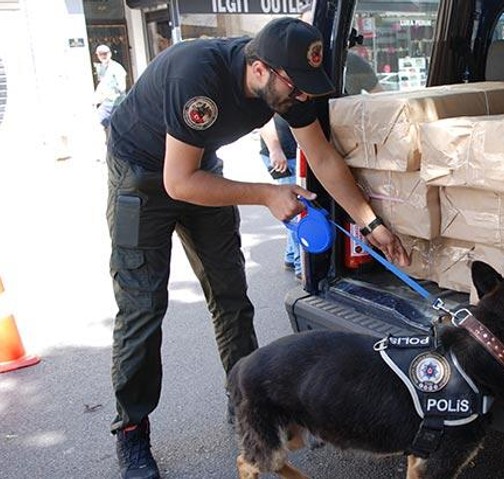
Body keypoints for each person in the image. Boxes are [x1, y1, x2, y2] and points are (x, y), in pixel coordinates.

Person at [105, 17, 410, 479]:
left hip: (200, 170)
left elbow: (323, 157)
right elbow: (177, 181)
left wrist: (371, 224)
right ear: (261, 69)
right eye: (297, 87)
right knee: (143, 310)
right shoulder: (197, 76)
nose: (303, 98)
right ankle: (132, 431)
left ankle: (247, 407)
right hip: (143, 178)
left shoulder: (289, 85)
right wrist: (269, 193)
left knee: (231, 299)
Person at [259, 114, 303, 277]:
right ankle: (301, 266)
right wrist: (275, 149)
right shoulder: (275, 90)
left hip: (287, 152)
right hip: (284, 155)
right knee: (295, 209)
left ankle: (291, 257)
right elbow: (264, 119)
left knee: (295, 210)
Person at [93, 44, 127, 131]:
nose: (103, 56)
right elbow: (102, 84)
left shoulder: (117, 68)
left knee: (117, 127)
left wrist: (111, 94)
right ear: (97, 55)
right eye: (101, 54)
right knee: (99, 124)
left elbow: (122, 87)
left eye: (105, 54)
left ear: (110, 54)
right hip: (106, 104)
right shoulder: (101, 68)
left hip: (116, 103)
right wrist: (96, 99)